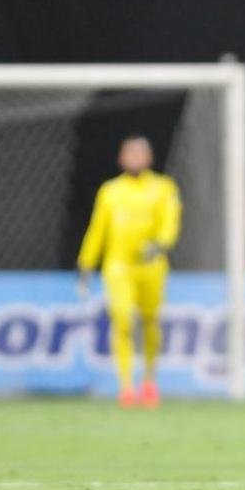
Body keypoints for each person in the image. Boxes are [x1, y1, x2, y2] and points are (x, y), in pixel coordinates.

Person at [77, 135, 182, 408]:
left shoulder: (163, 188)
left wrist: (160, 245)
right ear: (121, 158)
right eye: (130, 153)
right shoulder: (110, 191)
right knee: (123, 320)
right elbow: (98, 230)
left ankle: (149, 381)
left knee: (150, 321)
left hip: (151, 266)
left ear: (149, 158)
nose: (134, 158)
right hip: (118, 265)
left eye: (140, 153)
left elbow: (170, 222)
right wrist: (86, 264)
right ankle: (126, 386)